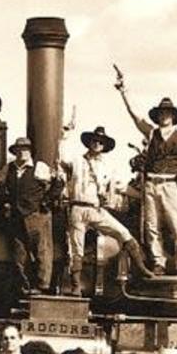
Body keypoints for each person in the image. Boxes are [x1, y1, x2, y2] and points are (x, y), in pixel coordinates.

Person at [58, 126, 154, 295]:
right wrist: (64, 136)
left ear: (104, 146)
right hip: (78, 208)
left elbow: (120, 186)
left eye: (100, 142)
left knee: (123, 233)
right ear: (89, 143)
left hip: (97, 209)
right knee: (76, 249)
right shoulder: (77, 161)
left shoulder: (107, 166)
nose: (97, 144)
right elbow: (61, 158)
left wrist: (142, 196)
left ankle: (142, 268)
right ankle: (75, 286)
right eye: (94, 141)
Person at [116, 82, 177, 275]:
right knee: (152, 226)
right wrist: (124, 91)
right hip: (151, 184)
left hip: (169, 184)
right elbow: (135, 116)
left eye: (167, 113)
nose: (163, 116)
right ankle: (158, 262)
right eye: (161, 113)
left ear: (173, 117)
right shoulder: (152, 133)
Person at [0, 137, 59, 293]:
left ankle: (42, 286)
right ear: (15, 151)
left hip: (36, 215)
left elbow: (57, 184)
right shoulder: (10, 168)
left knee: (42, 251)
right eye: (19, 149)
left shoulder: (39, 167)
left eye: (25, 149)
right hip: (17, 217)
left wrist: (46, 201)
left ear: (30, 151)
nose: (22, 152)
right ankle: (24, 286)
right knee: (19, 253)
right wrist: (5, 202)